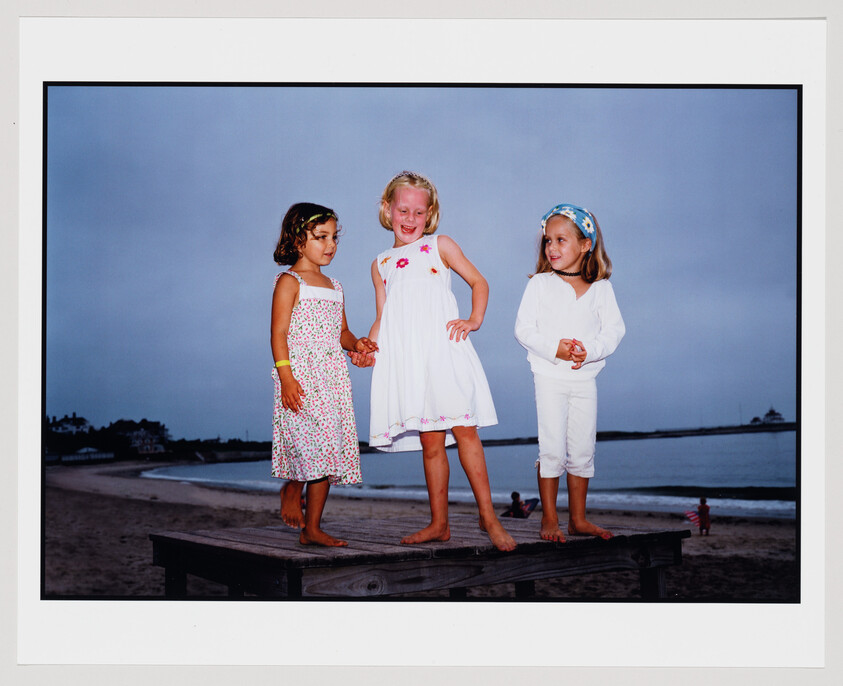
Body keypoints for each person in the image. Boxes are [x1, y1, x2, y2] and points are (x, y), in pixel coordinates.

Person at [367, 171, 516, 552]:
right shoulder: (381, 263)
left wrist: (474, 319)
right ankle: (439, 523)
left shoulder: (440, 245)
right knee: (431, 441)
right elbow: (383, 315)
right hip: (410, 359)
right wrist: (370, 344)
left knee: (465, 429)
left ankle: (488, 516)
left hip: (444, 349)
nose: (410, 219)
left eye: (419, 211)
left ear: (430, 213)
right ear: (388, 209)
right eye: (403, 210)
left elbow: (479, 282)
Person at [515, 203, 625, 542]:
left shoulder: (602, 288)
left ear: (585, 244)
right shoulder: (540, 285)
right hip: (549, 377)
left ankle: (578, 519)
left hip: (585, 379)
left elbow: (614, 331)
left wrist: (588, 351)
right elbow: (523, 329)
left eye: (561, 240)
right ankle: (549, 518)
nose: (552, 247)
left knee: (581, 449)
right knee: (551, 448)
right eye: (548, 240)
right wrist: (556, 349)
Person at [270, 202, 378, 546]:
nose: (330, 244)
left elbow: (340, 332)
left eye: (334, 237)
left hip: (331, 378)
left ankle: (312, 528)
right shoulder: (290, 281)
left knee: (328, 449)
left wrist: (356, 343)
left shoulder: (335, 286)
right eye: (321, 237)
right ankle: (292, 487)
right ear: (298, 240)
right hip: (300, 375)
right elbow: (278, 333)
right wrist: (286, 377)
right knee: (307, 441)